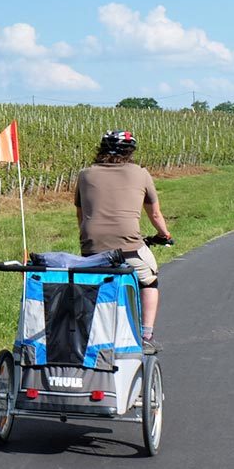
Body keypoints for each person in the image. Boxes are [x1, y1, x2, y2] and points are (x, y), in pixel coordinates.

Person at [73, 130, 172, 355]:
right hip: (129, 247)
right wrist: (165, 235)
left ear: (101, 149)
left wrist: (88, 240)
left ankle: (91, 334)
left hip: (92, 247)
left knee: (94, 283)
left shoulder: (85, 174)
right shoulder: (140, 173)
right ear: (130, 152)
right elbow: (155, 215)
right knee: (150, 279)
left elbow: (81, 215)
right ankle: (146, 335)